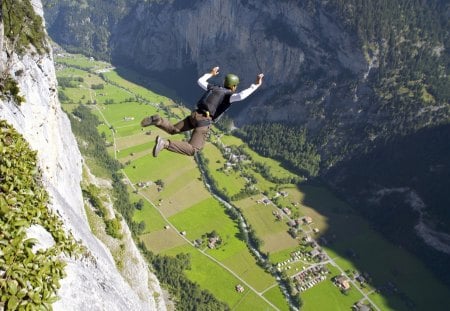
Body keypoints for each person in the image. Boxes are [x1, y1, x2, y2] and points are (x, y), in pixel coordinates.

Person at [141, 66, 264, 157]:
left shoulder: (213, 87)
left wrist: (211, 73)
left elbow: (200, 81)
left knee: (173, 129)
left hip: (194, 115)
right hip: (203, 122)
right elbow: (242, 95)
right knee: (193, 149)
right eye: (235, 87)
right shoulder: (229, 95)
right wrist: (256, 85)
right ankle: (165, 144)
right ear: (233, 87)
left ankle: (158, 120)